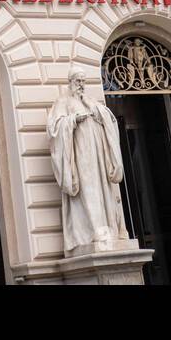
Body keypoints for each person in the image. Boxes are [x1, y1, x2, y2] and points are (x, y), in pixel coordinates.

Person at [47, 68, 129, 252]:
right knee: (87, 190)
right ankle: (93, 230)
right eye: (78, 81)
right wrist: (73, 120)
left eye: (83, 81)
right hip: (80, 156)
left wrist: (95, 111)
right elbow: (54, 129)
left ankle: (108, 229)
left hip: (98, 156)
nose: (81, 85)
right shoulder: (63, 102)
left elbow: (109, 120)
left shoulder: (91, 101)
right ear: (70, 82)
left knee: (103, 191)